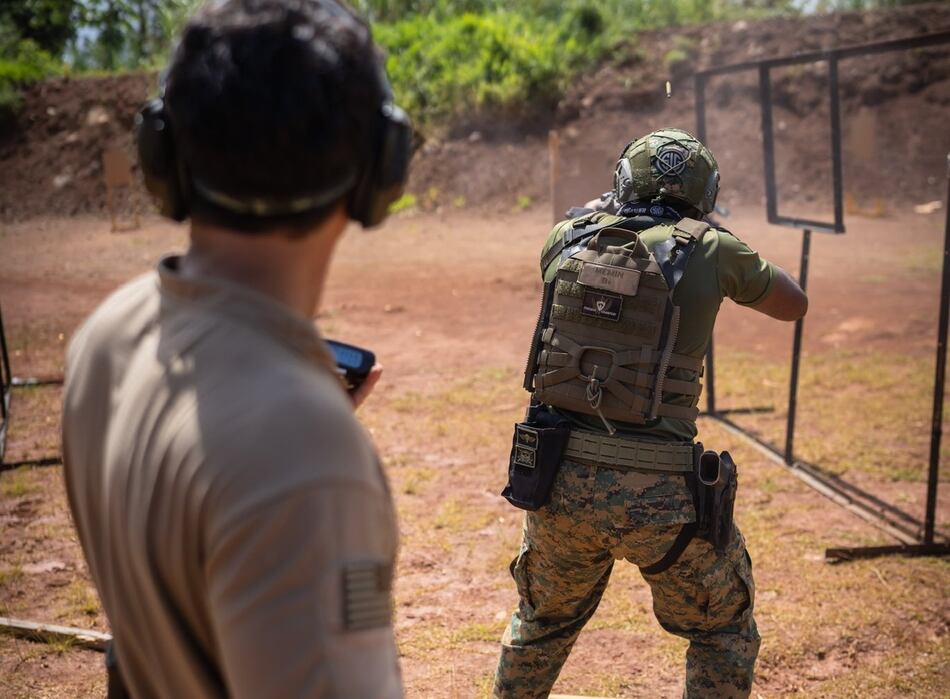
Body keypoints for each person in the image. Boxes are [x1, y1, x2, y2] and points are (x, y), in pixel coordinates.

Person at [61, 1, 411, 697]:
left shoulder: (107, 337)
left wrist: (280, 435)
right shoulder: (302, 452)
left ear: (163, 153)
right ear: (380, 169)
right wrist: (298, 449)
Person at [495, 128, 807, 698]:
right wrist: (720, 241)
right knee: (722, 628)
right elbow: (794, 304)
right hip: (661, 496)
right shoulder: (712, 249)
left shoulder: (566, 237)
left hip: (555, 481)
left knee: (541, 623)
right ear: (704, 192)